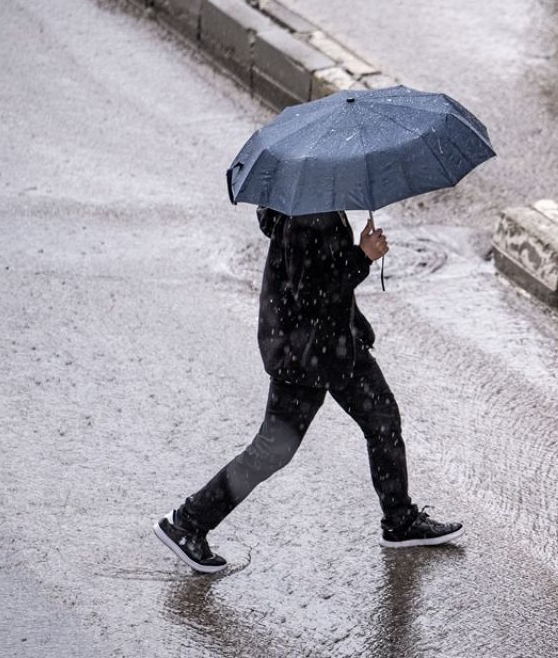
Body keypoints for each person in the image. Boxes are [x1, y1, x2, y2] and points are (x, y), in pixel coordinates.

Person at [154, 207, 462, 573]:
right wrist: (362, 256)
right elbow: (312, 295)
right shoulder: (306, 215)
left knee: (383, 419)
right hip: (303, 353)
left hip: (336, 345)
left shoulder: (318, 204)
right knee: (272, 450)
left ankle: (399, 520)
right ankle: (188, 522)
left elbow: (322, 278)